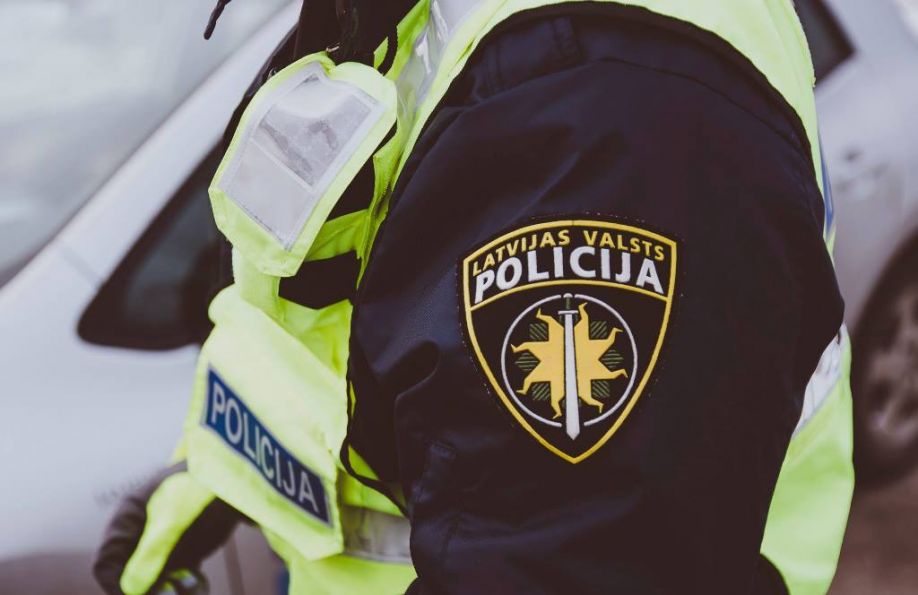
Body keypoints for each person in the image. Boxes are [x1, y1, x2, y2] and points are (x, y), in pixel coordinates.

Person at [94, 0, 854, 593]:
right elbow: (360, 318)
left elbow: (566, 561)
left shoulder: (601, 103)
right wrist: (230, 466)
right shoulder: (450, 25)